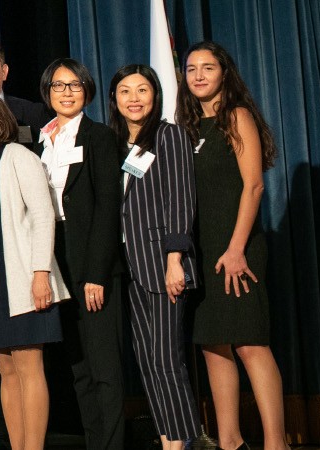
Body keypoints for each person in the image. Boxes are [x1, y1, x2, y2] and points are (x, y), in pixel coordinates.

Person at [177, 41, 286, 450]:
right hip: (200, 252)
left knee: (250, 343)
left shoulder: (236, 117)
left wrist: (237, 247)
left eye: (208, 67)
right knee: (212, 346)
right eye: (191, 69)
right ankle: (230, 442)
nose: (199, 75)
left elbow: (254, 186)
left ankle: (276, 443)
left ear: (225, 73)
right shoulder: (184, 128)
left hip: (235, 247)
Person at [0, 89, 70, 450]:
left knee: (28, 367)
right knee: (5, 370)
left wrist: (41, 274)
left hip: (22, 276)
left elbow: (42, 215)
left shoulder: (17, 155)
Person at [36, 58, 127, 450]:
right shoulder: (41, 139)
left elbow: (109, 207)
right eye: (58, 86)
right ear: (48, 92)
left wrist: (96, 273)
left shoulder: (100, 136)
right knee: (79, 368)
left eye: (74, 85)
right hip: (58, 259)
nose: (67, 92)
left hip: (91, 261)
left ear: (87, 90)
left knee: (104, 367)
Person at [107, 64, 200, 450]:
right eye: (125, 91)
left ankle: (180, 443)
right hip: (128, 268)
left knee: (166, 359)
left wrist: (175, 259)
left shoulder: (169, 135)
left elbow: (181, 198)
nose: (133, 98)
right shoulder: (113, 143)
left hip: (162, 265)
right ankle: (167, 439)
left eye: (142, 90)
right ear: (114, 98)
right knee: (147, 363)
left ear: (155, 95)